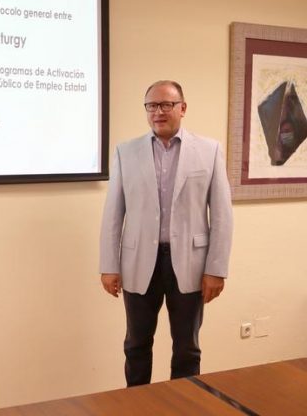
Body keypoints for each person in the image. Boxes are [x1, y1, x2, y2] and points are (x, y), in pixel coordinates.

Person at [99, 80, 233, 387]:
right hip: (138, 261)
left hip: (190, 263)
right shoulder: (126, 152)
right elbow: (113, 212)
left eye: (166, 105)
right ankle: (136, 405)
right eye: (152, 106)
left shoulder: (209, 150)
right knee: (136, 345)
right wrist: (109, 265)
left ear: (182, 108)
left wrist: (216, 269)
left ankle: (184, 405)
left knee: (187, 348)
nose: (158, 111)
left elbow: (222, 215)